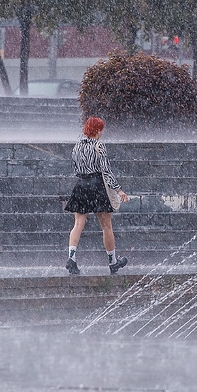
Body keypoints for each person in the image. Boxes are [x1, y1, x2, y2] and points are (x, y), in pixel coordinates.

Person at [64, 117, 129, 275]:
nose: (102, 133)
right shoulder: (99, 146)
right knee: (106, 226)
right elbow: (106, 171)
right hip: (97, 185)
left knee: (78, 223)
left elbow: (75, 169)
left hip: (81, 184)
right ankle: (113, 262)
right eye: (101, 130)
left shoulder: (77, 146)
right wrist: (118, 190)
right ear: (97, 130)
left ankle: (71, 258)